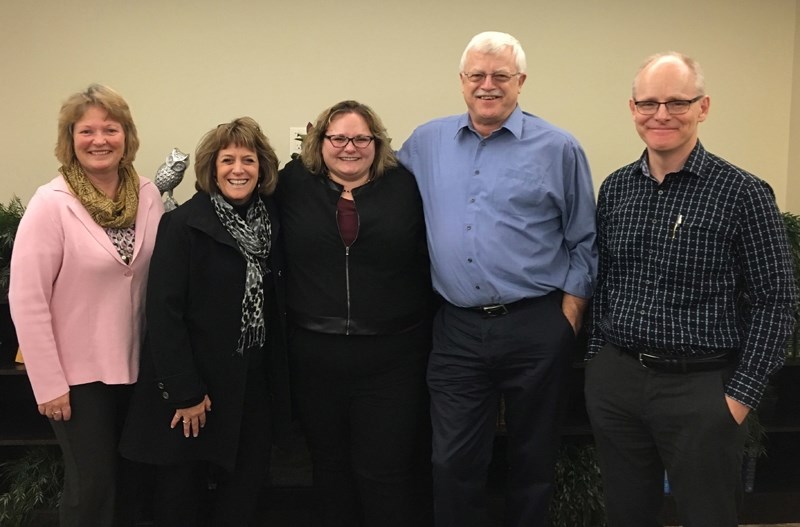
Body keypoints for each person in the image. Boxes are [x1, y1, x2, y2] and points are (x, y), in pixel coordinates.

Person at [585, 51, 797, 527]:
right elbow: (606, 281)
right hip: (618, 382)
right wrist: (599, 363)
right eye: (649, 103)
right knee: (625, 514)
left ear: (702, 107)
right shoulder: (617, 188)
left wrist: (738, 398)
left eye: (677, 102)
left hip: (701, 390)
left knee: (708, 516)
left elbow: (776, 302)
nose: (662, 114)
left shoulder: (743, 193)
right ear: (633, 108)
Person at [397, 32, 597, 527]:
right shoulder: (425, 142)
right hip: (457, 329)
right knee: (452, 462)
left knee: (533, 460)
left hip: (536, 324)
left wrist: (566, 320)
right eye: (477, 76)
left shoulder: (559, 148)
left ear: (520, 82)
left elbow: (584, 240)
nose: (488, 86)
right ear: (462, 82)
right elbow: (383, 200)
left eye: (500, 76)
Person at [119, 117, 290, 526]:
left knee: (245, 491)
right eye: (227, 159)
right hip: (195, 390)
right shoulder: (181, 225)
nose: (238, 169)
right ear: (211, 168)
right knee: (181, 496)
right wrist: (185, 391)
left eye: (248, 160)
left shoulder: (272, 225)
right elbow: (164, 312)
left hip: (252, 386)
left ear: (262, 168)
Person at [8, 83, 164, 527]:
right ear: (70, 139)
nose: (99, 140)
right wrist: (48, 382)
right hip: (76, 378)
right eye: (87, 131)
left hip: (138, 369)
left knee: (135, 483)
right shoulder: (51, 204)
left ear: (126, 136)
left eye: (110, 129)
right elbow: (27, 298)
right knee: (93, 486)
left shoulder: (147, 194)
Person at [277, 100, 433, 527]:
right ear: (319, 141)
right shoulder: (292, 183)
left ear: (377, 143)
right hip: (315, 358)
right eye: (338, 138)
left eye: (362, 138)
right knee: (329, 468)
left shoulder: (405, 186)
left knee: (385, 471)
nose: (350, 147)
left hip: (392, 358)